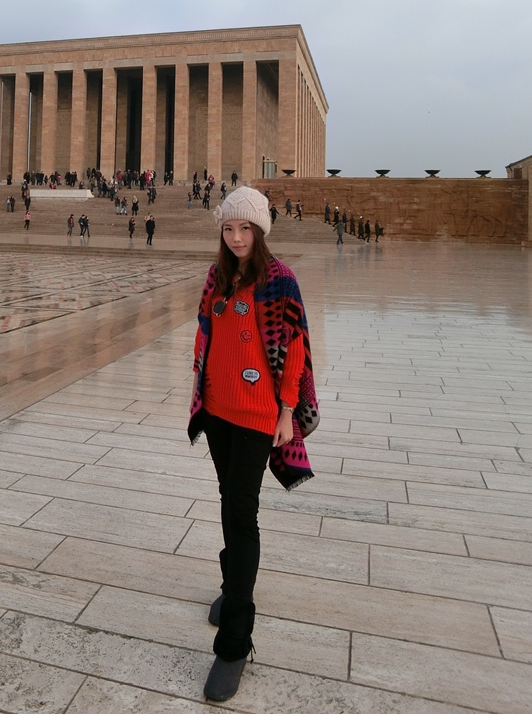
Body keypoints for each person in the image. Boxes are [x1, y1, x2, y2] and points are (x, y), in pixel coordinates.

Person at [188, 186, 318, 702]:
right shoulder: (217, 277)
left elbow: (296, 350)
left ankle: (235, 643)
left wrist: (287, 413)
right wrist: (198, 395)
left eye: (246, 228)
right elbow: (205, 338)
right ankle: (231, 585)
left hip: (259, 415)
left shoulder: (280, 279)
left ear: (261, 230)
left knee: (242, 514)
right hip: (218, 411)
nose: (237, 237)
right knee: (229, 502)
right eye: (229, 228)